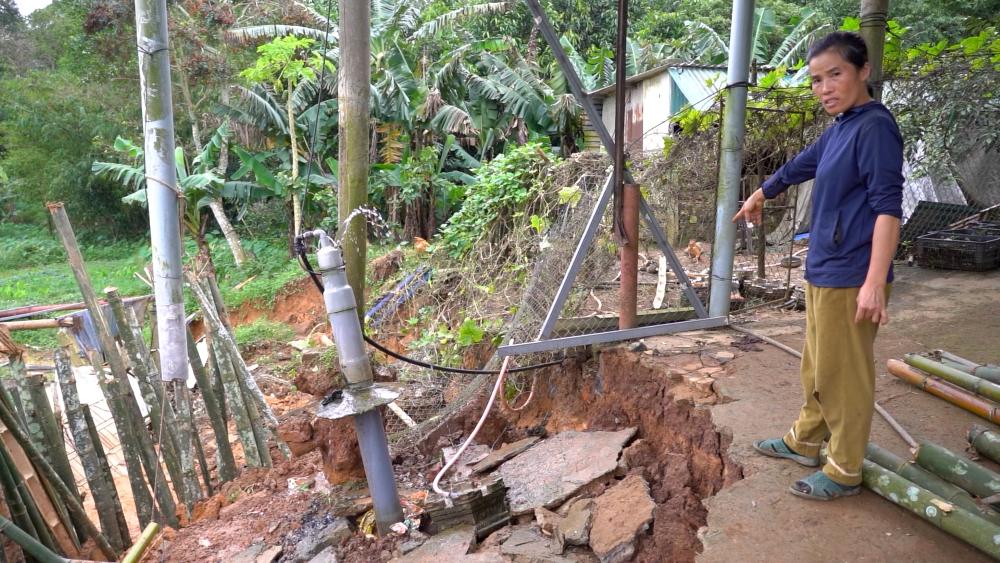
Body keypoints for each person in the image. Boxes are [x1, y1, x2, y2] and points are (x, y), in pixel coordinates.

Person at [732, 31, 904, 500]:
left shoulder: (874, 128)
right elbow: (802, 164)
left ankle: (845, 468)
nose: (824, 88)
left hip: (852, 274)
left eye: (835, 74)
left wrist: (874, 281)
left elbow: (888, 209)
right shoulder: (842, 126)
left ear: (863, 71)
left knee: (843, 375)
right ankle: (805, 440)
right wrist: (762, 192)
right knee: (817, 366)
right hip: (825, 267)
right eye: (815, 80)